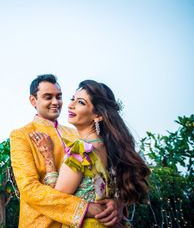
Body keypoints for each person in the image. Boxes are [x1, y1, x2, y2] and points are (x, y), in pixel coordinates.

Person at [29, 80, 150, 227]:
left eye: (81, 102)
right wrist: (118, 202)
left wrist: (48, 157)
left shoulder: (81, 150)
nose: (70, 105)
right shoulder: (109, 147)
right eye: (72, 99)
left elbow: (57, 197)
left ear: (98, 115)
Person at [10, 74, 124, 227]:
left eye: (59, 96)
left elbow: (105, 178)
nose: (55, 102)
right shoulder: (22, 135)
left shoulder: (79, 135)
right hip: (42, 223)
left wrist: (116, 203)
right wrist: (85, 208)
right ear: (33, 100)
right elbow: (29, 189)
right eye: (48, 97)